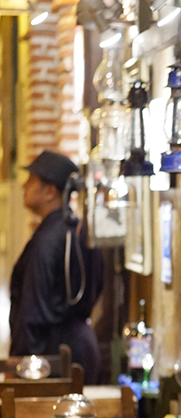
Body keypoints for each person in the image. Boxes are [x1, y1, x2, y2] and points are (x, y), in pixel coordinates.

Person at [10, 150, 104, 383]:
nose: (24, 187)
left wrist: (21, 363)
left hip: (50, 361)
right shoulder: (81, 231)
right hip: (83, 348)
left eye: (31, 181)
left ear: (50, 191)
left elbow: (33, 310)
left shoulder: (47, 241)